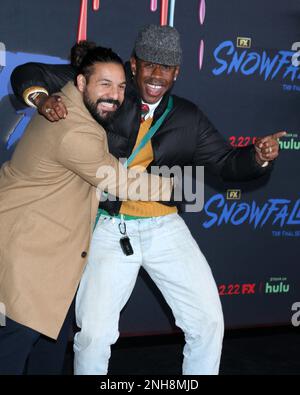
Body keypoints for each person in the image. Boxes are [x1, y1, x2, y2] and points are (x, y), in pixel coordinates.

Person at [11, 25, 285, 375]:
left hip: (164, 227)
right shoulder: (108, 86)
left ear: (177, 72)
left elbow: (227, 163)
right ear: (134, 64)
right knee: (94, 335)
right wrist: (41, 99)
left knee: (207, 323)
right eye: (150, 64)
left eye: (166, 67)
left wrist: (259, 157)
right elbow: (28, 74)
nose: (157, 74)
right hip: (109, 227)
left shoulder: (188, 117)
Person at [0, 46, 173, 375]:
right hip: (25, 260)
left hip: (53, 265)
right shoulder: (73, 127)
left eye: (121, 87)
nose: (115, 95)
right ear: (80, 82)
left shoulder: (74, 107)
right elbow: (118, 180)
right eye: (104, 85)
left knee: (47, 357)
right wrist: (176, 186)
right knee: (12, 351)